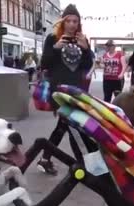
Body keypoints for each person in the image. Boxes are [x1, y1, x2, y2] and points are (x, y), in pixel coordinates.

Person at [37, 3, 94, 175]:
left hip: (76, 91)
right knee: (75, 127)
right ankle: (86, 165)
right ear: (63, 22)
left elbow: (86, 66)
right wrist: (56, 48)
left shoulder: (82, 40)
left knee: (65, 126)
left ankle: (45, 159)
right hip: (59, 91)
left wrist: (86, 49)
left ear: (79, 23)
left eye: (75, 21)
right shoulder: (52, 39)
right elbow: (44, 64)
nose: (71, 24)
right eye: (68, 21)